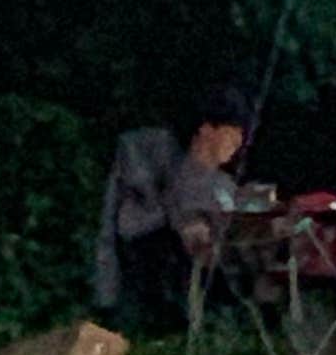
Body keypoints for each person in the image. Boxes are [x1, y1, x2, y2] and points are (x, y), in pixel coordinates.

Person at [92, 88, 253, 325]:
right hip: (155, 268)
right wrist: (186, 225)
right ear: (206, 130)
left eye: (241, 137)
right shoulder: (163, 161)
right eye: (231, 134)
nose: (237, 144)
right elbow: (141, 217)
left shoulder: (224, 185)